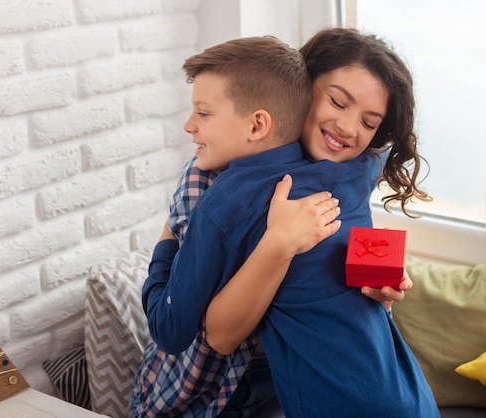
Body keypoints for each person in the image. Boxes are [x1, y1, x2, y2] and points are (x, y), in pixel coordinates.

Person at [131, 28, 438, 417]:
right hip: (232, 389)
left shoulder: (353, 171)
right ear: (302, 86)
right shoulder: (221, 184)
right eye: (337, 102)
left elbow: (341, 300)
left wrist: (382, 289)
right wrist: (277, 243)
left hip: (391, 388)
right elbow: (218, 336)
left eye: (369, 121)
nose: (348, 127)